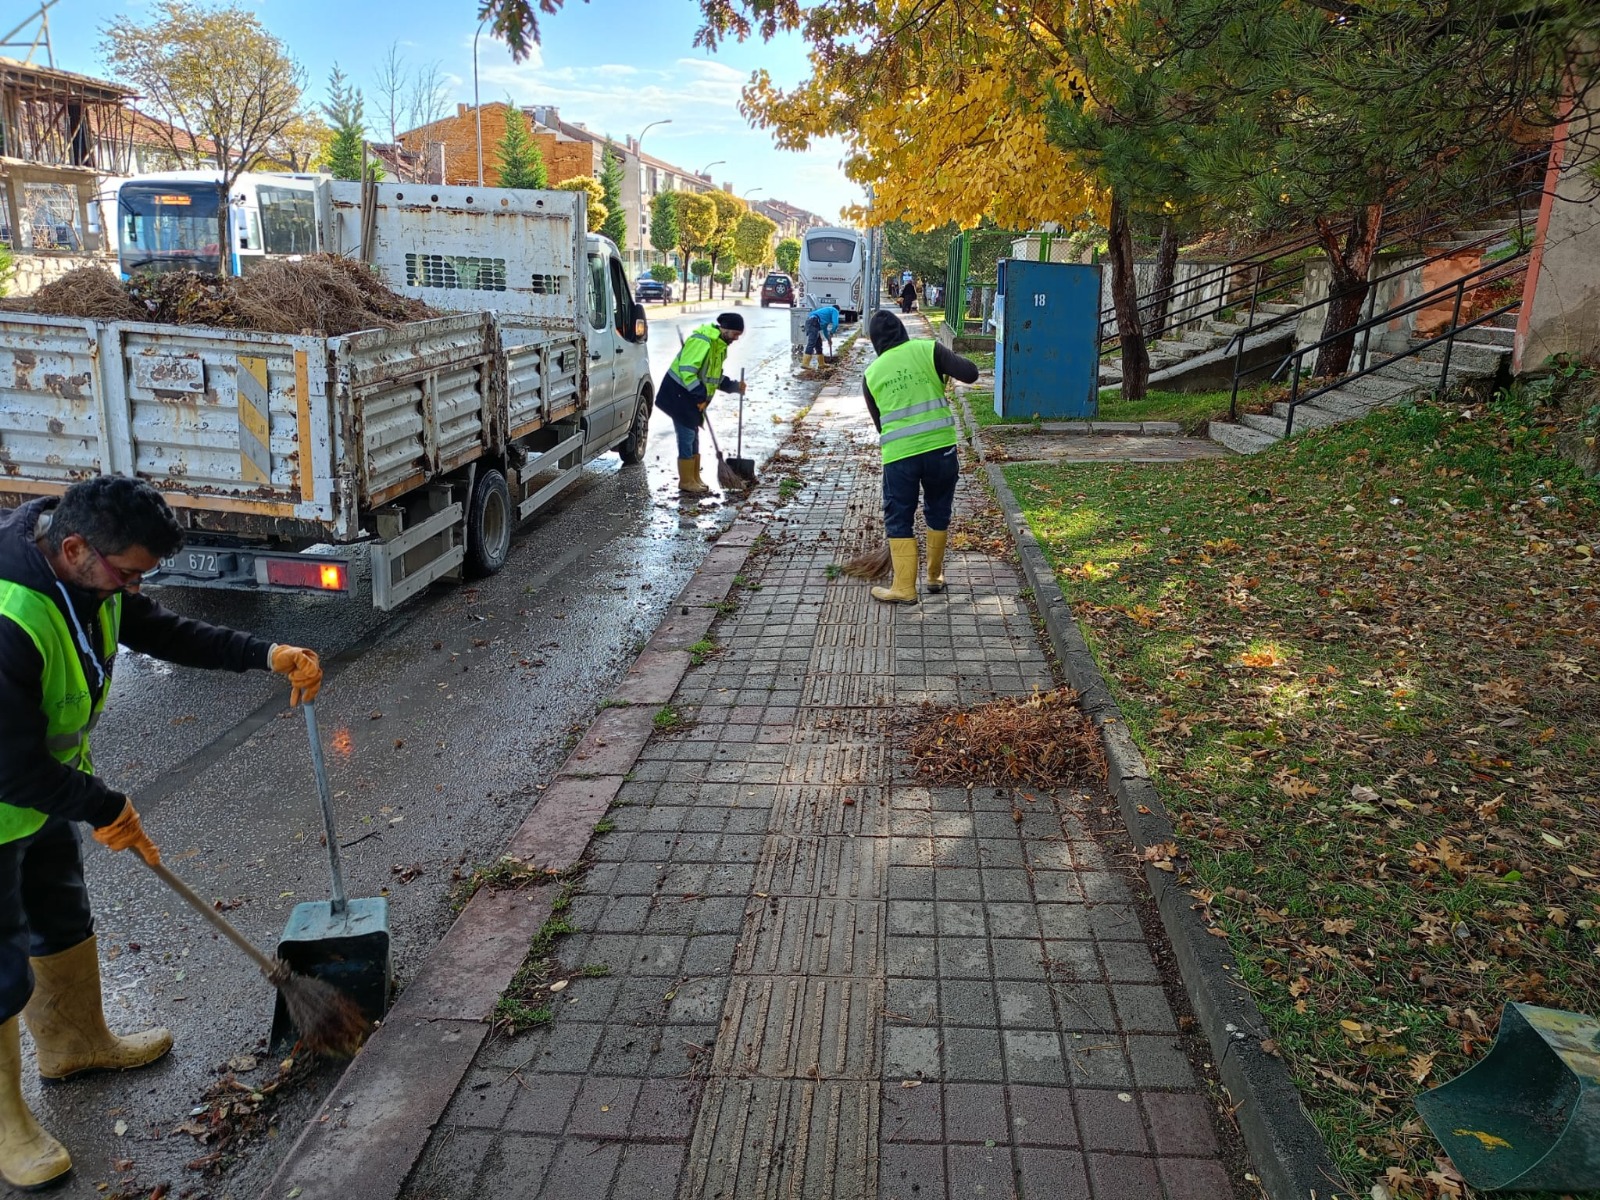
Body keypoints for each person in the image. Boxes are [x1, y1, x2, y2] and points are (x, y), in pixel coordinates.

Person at [0, 476, 323, 1189]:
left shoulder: (91, 580)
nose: (133, 589)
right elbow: (8, 763)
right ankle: (5, 1124)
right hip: (7, 790)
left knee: (59, 914)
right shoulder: (8, 615)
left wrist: (264, 653)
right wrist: (103, 803)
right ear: (77, 547)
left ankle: (75, 1044)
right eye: (130, 574)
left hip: (36, 799)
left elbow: (164, 631)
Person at [861, 310, 980, 604]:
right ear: (903, 330)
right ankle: (934, 576)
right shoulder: (928, 349)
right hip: (941, 449)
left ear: (875, 341)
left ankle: (904, 587)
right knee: (938, 509)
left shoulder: (871, 374)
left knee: (899, 516)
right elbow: (971, 373)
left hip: (900, 457)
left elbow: (881, 425)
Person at [656, 313, 747, 498]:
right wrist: (700, 397)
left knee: (693, 435)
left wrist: (733, 386)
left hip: (691, 394)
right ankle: (686, 480)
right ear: (725, 329)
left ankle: (694, 477)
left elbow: (712, 377)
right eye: (735, 334)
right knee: (687, 434)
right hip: (679, 392)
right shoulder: (703, 341)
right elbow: (687, 372)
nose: (736, 338)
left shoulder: (719, 346)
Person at [801, 302, 840, 373]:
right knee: (812, 342)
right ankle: (805, 363)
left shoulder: (826, 315)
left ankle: (821, 364)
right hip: (814, 322)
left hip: (812, 322)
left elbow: (825, 330)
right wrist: (832, 332)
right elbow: (836, 324)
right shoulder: (834, 310)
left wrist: (828, 339)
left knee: (818, 344)